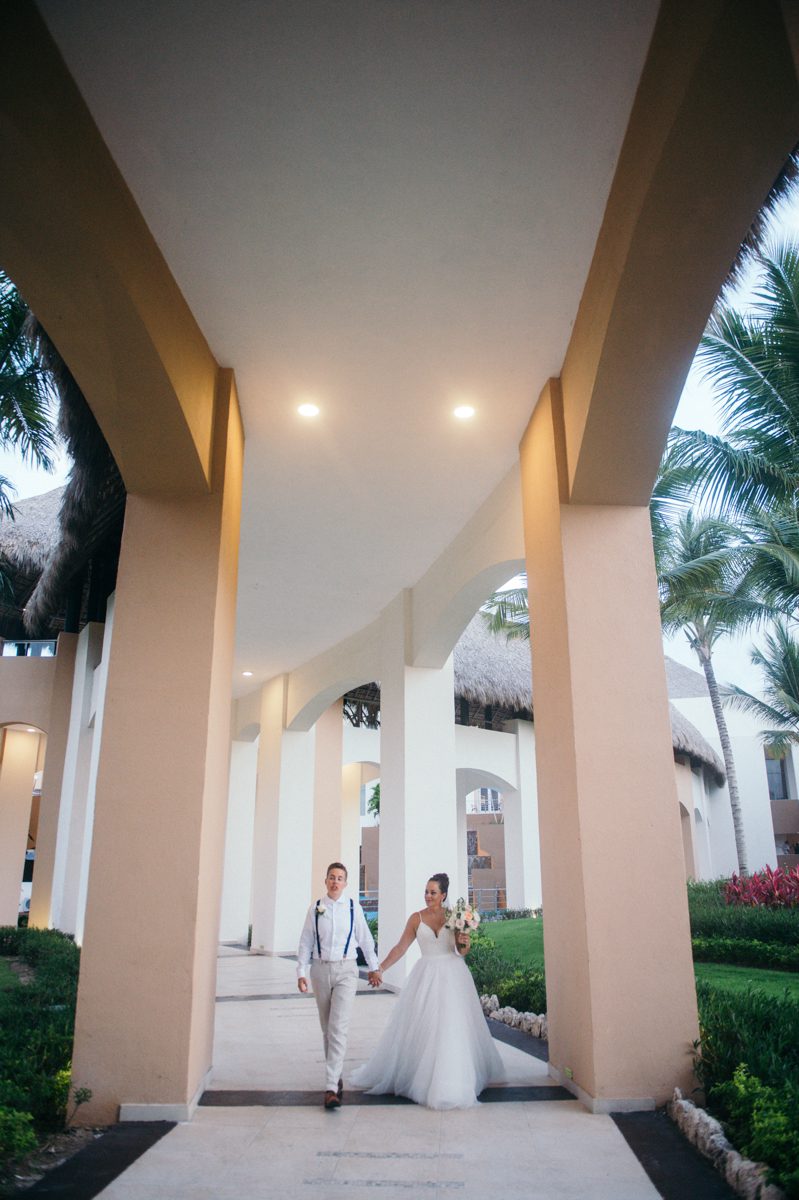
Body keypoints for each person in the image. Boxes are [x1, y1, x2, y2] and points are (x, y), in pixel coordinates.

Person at [350, 872, 504, 1109]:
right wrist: (380, 968)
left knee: (451, 1026)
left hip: (453, 975)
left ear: (443, 895)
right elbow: (400, 948)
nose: (428, 896)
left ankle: (451, 1080)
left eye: (433, 892)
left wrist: (465, 940)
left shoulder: (455, 916)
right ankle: (421, 1076)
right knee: (426, 1024)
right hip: (426, 974)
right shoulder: (416, 919)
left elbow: (461, 951)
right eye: (426, 892)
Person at [297, 861, 381, 1109]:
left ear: (346, 883)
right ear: (326, 881)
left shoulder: (354, 908)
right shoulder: (316, 908)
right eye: (332, 877)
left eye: (340, 878)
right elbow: (305, 941)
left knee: (338, 1028)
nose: (335, 882)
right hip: (320, 969)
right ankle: (335, 1075)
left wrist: (374, 967)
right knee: (327, 1029)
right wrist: (301, 971)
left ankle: (331, 1087)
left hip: (346, 970)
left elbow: (365, 940)